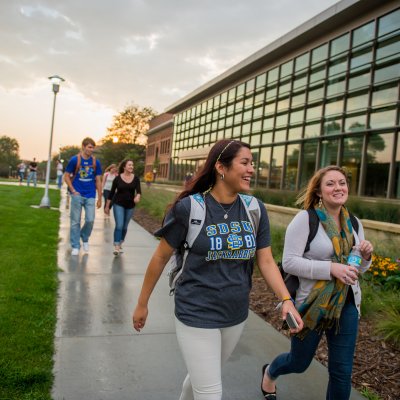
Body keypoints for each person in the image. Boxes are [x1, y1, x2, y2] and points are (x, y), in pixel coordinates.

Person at [132, 139, 303, 400]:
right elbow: (159, 258)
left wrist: (286, 301)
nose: (251, 169)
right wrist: (142, 303)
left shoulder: (254, 209)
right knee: (210, 392)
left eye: (252, 163)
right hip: (195, 311)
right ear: (221, 167)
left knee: (201, 380)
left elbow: (266, 261)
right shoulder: (190, 209)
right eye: (245, 163)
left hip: (235, 313)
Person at [261, 165, 374, 400]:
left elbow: (356, 270)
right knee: (298, 362)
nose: (338, 187)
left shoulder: (353, 222)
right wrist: (330, 269)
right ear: (320, 191)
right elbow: (289, 262)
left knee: (342, 372)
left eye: (342, 182)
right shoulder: (306, 219)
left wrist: (366, 257)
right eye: (330, 183)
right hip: (312, 305)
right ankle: (271, 372)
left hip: (347, 304)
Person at [64, 137, 102, 256]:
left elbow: (98, 180)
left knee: (90, 219)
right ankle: (75, 245)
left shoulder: (96, 162)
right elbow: (66, 176)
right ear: (83, 147)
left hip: (90, 194)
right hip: (77, 194)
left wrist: (100, 197)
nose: (91, 150)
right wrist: (73, 190)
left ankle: (84, 237)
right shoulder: (75, 160)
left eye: (93, 147)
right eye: (89, 147)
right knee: (75, 221)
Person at [104, 159, 141, 255]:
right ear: (124, 167)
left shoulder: (136, 178)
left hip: (130, 205)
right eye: (129, 165)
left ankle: (120, 242)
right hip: (118, 204)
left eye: (132, 165)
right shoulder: (117, 179)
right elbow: (111, 193)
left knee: (124, 227)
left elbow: (139, 191)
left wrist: (137, 196)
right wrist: (107, 206)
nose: (131, 167)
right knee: (119, 225)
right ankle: (116, 246)